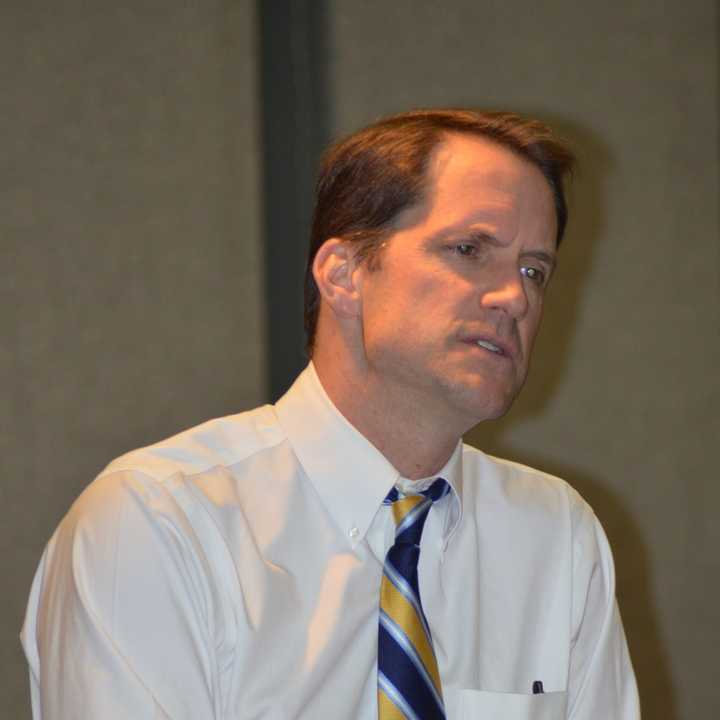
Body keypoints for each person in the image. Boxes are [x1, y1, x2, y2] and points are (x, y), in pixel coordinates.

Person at [21, 109, 640, 719]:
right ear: (343, 275)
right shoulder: (161, 523)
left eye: (534, 270)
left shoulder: (556, 534)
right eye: (469, 248)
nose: (515, 297)